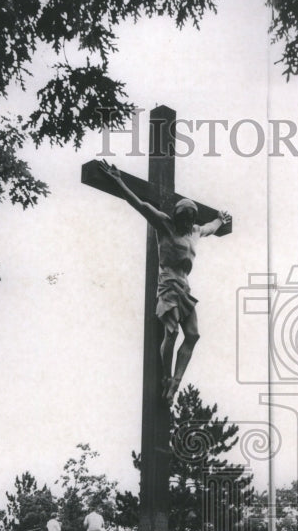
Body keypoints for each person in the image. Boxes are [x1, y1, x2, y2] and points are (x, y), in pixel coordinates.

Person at [99, 161, 231, 407]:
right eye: (183, 218)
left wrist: (220, 220)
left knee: (193, 335)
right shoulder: (164, 224)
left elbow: (211, 228)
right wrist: (118, 180)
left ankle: (176, 381)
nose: (186, 222)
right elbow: (139, 204)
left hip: (185, 287)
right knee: (171, 333)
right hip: (168, 284)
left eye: (189, 218)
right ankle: (165, 377)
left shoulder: (194, 232)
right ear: (177, 216)